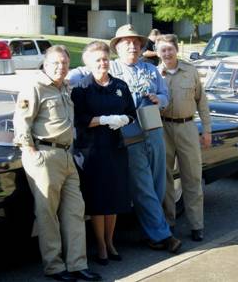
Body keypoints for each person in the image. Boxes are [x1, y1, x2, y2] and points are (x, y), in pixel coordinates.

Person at [13, 45, 102, 282]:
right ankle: (54, 266)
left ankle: (77, 265)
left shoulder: (65, 87)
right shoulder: (35, 87)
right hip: (44, 155)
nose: (60, 68)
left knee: (75, 211)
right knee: (47, 214)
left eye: (64, 63)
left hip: (66, 155)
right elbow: (21, 120)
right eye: (55, 63)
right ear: (45, 64)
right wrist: (30, 150)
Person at [108, 24, 182, 253]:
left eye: (136, 43)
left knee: (159, 181)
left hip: (154, 129)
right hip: (130, 134)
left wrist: (158, 98)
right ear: (118, 47)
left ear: (141, 47)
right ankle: (163, 234)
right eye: (127, 43)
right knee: (143, 186)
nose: (133, 46)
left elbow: (165, 95)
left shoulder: (151, 69)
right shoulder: (108, 69)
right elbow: (82, 76)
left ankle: (150, 231)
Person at [71, 41, 136, 265]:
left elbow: (131, 112)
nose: (102, 63)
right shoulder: (81, 88)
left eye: (105, 59)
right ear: (88, 62)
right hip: (92, 151)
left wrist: (124, 120)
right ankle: (100, 245)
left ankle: (110, 241)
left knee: (114, 197)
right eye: (97, 60)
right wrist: (103, 120)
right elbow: (79, 120)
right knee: (98, 200)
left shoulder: (120, 85)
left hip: (115, 148)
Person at [155, 34, 212, 242]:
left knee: (192, 177)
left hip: (187, 126)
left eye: (170, 48)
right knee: (166, 179)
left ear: (177, 50)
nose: (167, 53)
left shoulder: (190, 71)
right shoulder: (154, 74)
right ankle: (168, 223)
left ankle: (197, 225)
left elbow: (202, 102)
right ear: (158, 52)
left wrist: (207, 130)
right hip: (163, 128)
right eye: (163, 50)